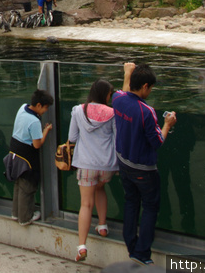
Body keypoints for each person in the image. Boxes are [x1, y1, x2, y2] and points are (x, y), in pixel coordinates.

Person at [112, 62, 176, 265]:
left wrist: (127, 73)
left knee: (131, 202)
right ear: (146, 86)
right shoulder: (146, 111)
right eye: (151, 88)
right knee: (150, 206)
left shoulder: (117, 99)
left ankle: (131, 245)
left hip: (123, 163)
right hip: (143, 169)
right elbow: (157, 142)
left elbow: (123, 93)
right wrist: (167, 125)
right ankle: (141, 253)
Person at [69, 79, 118, 262]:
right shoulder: (113, 113)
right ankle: (103, 226)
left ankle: (82, 246)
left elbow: (72, 137)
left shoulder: (78, 110)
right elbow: (117, 138)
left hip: (86, 164)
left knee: (86, 204)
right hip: (106, 165)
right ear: (105, 94)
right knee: (100, 189)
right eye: (110, 94)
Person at [4, 88, 54, 225]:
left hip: (14, 153)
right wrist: (46, 131)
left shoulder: (22, 108)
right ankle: (25, 217)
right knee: (27, 187)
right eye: (45, 108)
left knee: (18, 184)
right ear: (38, 105)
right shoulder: (34, 122)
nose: (45, 111)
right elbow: (37, 145)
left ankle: (15, 213)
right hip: (27, 158)